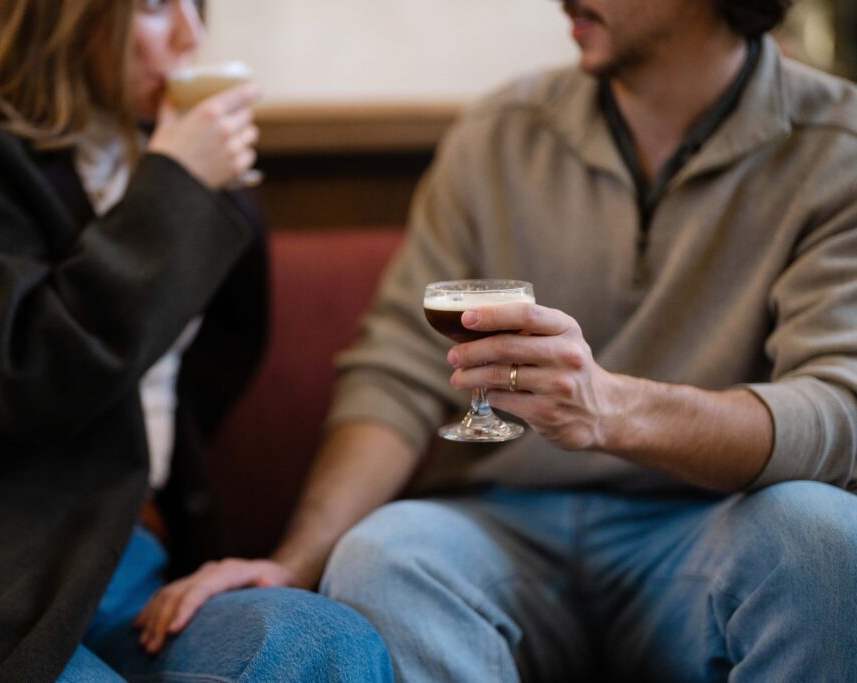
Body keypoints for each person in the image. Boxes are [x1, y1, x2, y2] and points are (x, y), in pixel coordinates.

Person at [131, 0, 857, 680]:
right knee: (383, 554)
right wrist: (293, 561)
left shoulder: (837, 149)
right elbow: (398, 367)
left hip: (708, 525)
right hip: (508, 526)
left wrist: (613, 410)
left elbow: (836, 411)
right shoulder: (501, 132)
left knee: (821, 534)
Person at [0, 0, 393, 681]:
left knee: (323, 643)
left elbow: (213, 367)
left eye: (198, 3)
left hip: (131, 556)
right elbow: (33, 378)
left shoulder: (201, 167)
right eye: (157, 6)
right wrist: (175, 186)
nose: (192, 35)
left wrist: (190, 183)